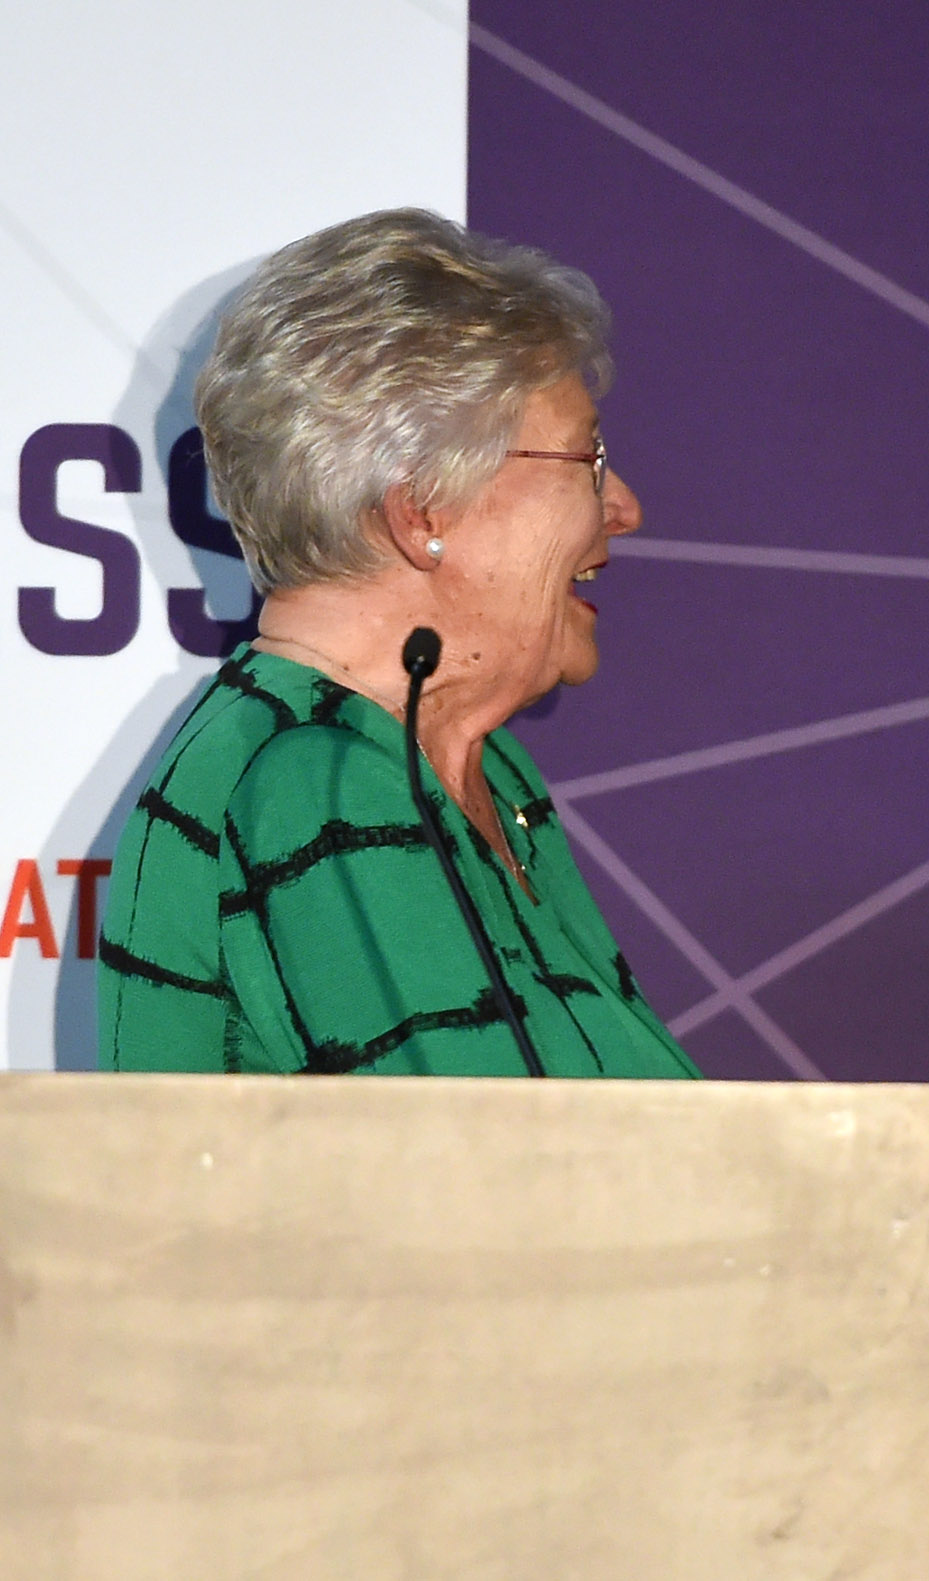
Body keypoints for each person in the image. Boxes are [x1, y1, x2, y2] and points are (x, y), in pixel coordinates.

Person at [98, 209, 698, 1082]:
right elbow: (498, 1158)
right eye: (588, 460)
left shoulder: (476, 770)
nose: (625, 507)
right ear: (423, 513)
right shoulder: (314, 780)